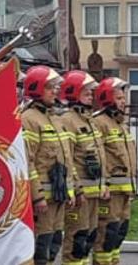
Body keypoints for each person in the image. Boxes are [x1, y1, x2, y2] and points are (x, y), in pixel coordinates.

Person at [21, 66, 71, 265]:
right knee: (40, 248)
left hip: (57, 196)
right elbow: (28, 160)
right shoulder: (29, 119)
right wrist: (37, 196)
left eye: (56, 87)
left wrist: (70, 190)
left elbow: (66, 158)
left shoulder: (54, 118)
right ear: (36, 88)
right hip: (43, 200)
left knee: (53, 245)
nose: (55, 91)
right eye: (50, 87)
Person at [58, 71, 104, 265]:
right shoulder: (68, 121)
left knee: (89, 238)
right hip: (81, 194)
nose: (91, 97)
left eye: (91, 93)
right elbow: (68, 158)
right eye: (86, 93)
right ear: (73, 92)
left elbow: (99, 157)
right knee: (76, 240)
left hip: (94, 192)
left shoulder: (90, 121)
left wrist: (104, 185)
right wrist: (76, 190)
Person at [90, 77, 135, 265]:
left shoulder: (121, 124)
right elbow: (97, 155)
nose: (123, 102)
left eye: (123, 98)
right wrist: (103, 184)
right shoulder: (99, 122)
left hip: (125, 190)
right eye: (119, 98)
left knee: (119, 233)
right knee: (106, 234)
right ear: (107, 99)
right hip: (110, 192)